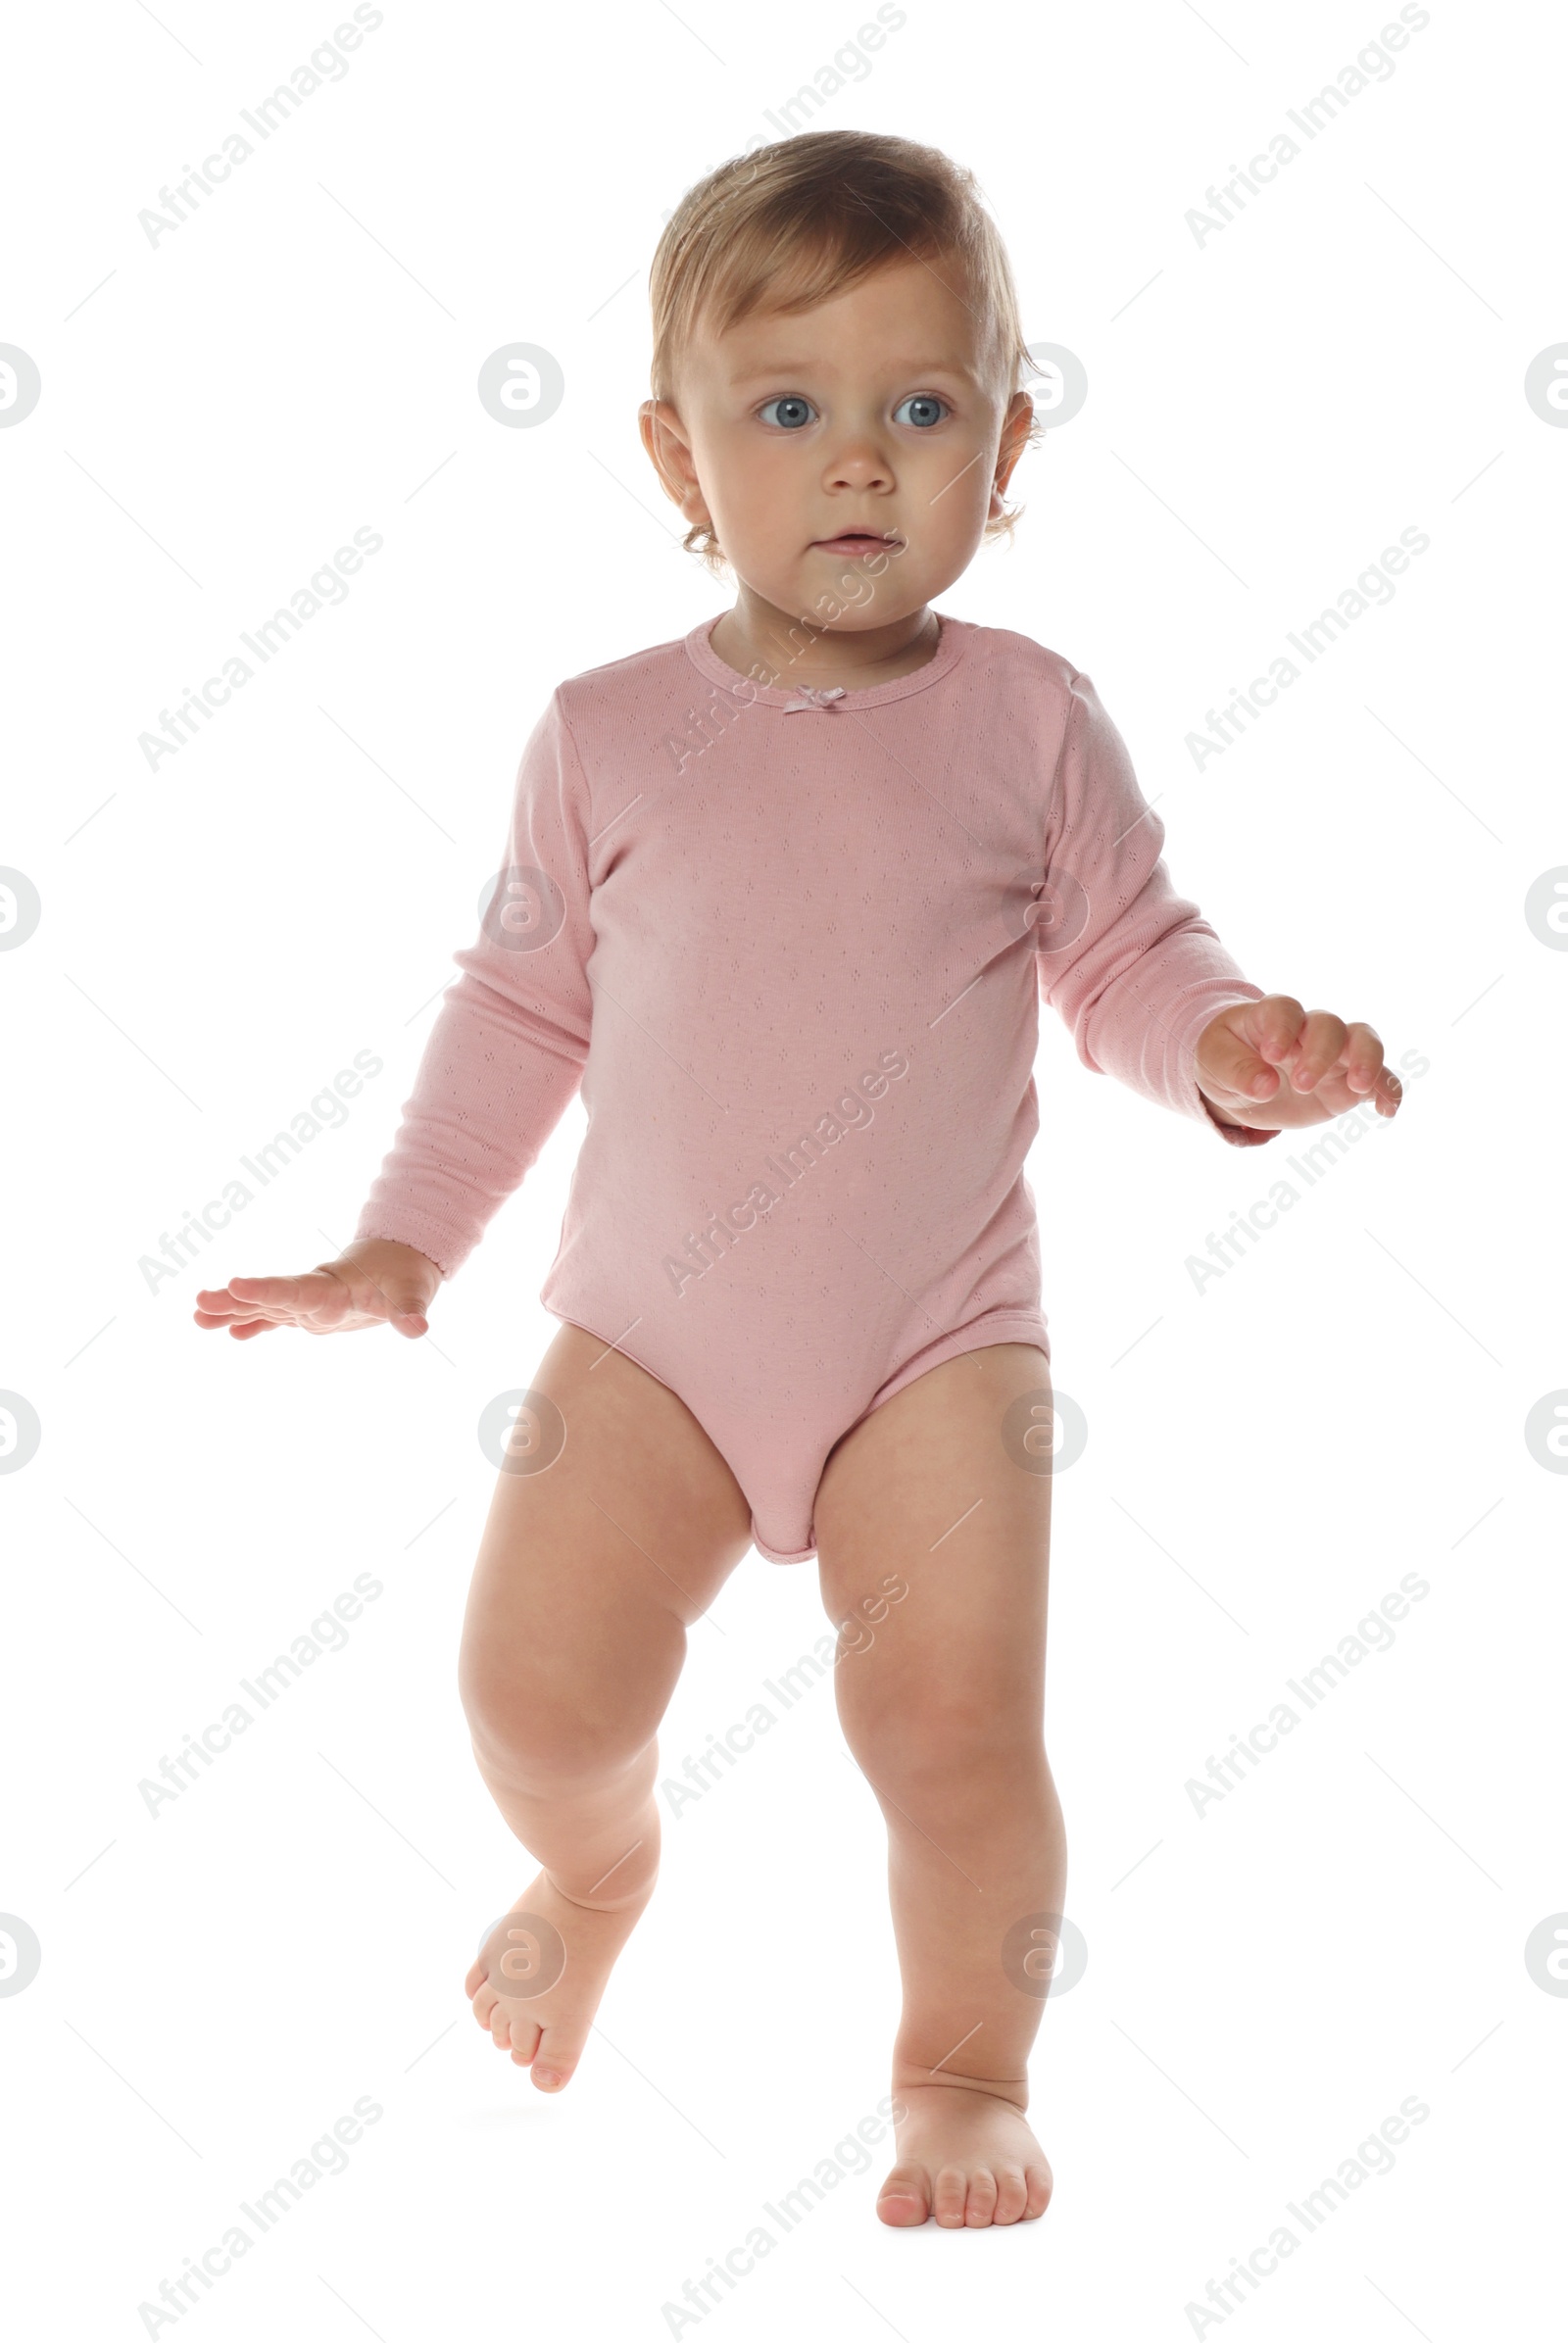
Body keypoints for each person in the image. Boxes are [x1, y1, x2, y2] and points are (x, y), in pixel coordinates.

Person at [194, 129, 1404, 2229]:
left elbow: (1125, 959)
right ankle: (596, 1860)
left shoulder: (1029, 721)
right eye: (787, 410)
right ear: (676, 457)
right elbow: (514, 1014)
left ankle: (961, 2064)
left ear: (1002, 441)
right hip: (650, 1335)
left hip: (935, 1346)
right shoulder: (596, 733)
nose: (857, 460)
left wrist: (1229, 1050)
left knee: (954, 1737)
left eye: (916, 408)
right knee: (526, 1688)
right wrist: (399, 1242)